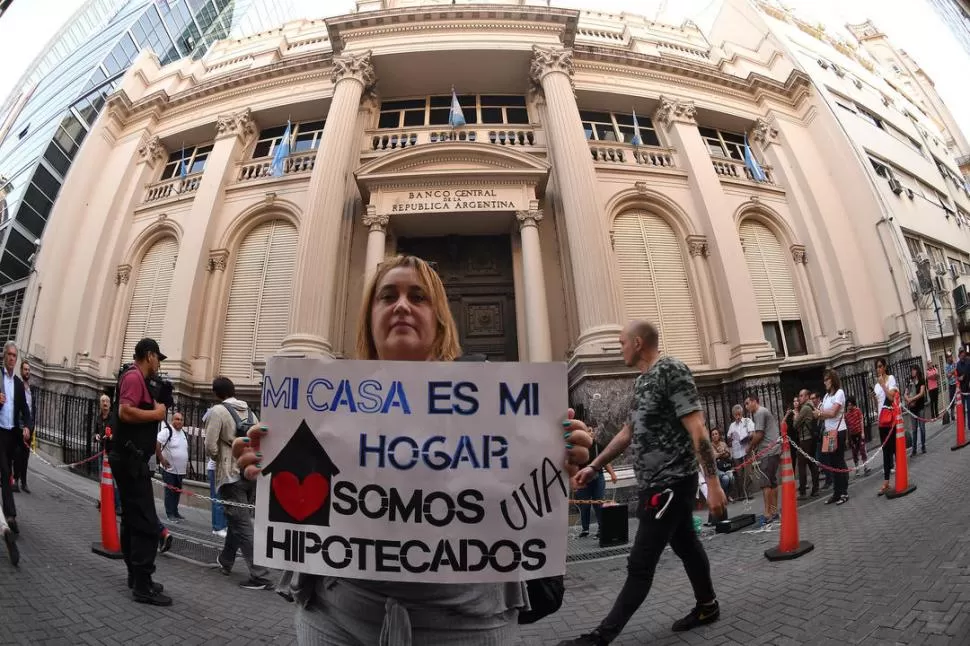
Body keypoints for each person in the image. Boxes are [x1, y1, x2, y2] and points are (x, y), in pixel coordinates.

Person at [233, 255, 592, 643]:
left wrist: (559, 461)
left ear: (439, 318)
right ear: (370, 317)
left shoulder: (499, 403)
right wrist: (264, 465)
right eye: (388, 296)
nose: (402, 305)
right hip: (334, 620)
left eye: (418, 297)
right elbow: (306, 502)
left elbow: (522, 504)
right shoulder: (320, 404)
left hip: (468, 625)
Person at [559, 320, 726, 646]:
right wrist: (594, 466)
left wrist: (714, 483)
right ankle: (708, 606)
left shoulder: (671, 370)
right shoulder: (643, 382)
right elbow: (627, 433)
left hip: (670, 484)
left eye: (621, 342)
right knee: (686, 544)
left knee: (640, 563)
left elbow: (697, 428)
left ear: (637, 343)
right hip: (657, 485)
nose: (618, 348)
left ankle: (599, 638)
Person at [109, 338, 171, 606]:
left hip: (130, 459)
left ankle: (137, 577)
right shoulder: (134, 377)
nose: (159, 364)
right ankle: (142, 586)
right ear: (149, 355)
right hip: (131, 461)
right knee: (145, 521)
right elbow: (125, 412)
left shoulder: (135, 379)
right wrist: (157, 414)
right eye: (158, 358)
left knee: (133, 519)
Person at [205, 376, 271, 591]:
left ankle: (260, 575)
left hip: (230, 474)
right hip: (249, 475)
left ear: (216, 393)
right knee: (237, 519)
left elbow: (210, 446)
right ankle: (226, 560)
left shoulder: (217, 411)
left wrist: (220, 458)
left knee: (242, 524)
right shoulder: (251, 412)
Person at [0, 341, 30, 538]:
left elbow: (25, 410)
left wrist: (26, 425)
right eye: (9, 355)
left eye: (14, 355)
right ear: (4, 356)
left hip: (12, 434)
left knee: (7, 470)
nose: (12, 358)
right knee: (4, 471)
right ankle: (10, 516)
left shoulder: (18, 384)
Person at [572, 424, 617, 538]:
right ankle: (585, 529)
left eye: (590, 431)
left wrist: (612, 474)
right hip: (582, 480)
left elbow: (605, 461)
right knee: (584, 505)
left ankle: (601, 529)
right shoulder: (576, 447)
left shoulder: (597, 446)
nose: (589, 433)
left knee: (598, 503)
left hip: (598, 477)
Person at [745, 393, 780, 526]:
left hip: (768, 451)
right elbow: (758, 433)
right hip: (773, 449)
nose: (747, 407)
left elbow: (759, 435)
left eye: (748, 403)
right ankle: (774, 511)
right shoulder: (762, 412)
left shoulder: (759, 412)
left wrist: (750, 447)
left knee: (765, 482)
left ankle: (768, 514)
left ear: (754, 401)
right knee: (772, 482)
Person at [815, 369, 849, 506]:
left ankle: (844, 492)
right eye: (824, 380)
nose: (825, 382)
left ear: (833, 379)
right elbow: (823, 414)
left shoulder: (839, 393)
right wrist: (822, 413)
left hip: (838, 431)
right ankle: (836, 492)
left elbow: (833, 412)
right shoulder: (826, 396)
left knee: (839, 461)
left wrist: (821, 413)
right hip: (829, 433)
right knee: (831, 463)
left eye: (827, 379)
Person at [155, 411, 189, 522]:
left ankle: (175, 511)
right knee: (170, 492)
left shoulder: (183, 433)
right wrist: (161, 459)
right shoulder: (167, 431)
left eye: (181, 419)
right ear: (172, 420)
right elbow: (157, 443)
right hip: (169, 469)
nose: (179, 421)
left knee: (177, 492)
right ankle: (170, 514)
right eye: (177, 419)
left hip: (180, 470)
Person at [872, 357, 899, 497]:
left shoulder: (891, 379)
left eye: (881, 366)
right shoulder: (877, 384)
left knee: (894, 448)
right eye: (877, 367)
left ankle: (900, 476)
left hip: (891, 419)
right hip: (882, 420)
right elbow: (879, 402)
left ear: (885, 366)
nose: (879, 369)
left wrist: (883, 385)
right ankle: (886, 481)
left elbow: (891, 397)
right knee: (885, 451)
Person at [94, 393, 122, 513]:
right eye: (103, 401)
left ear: (110, 404)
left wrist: (110, 436)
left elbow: (118, 435)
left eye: (107, 401)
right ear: (100, 404)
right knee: (102, 478)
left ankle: (117, 505)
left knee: (114, 479)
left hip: (112, 452)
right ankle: (104, 501)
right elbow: (95, 432)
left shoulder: (114, 418)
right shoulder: (98, 418)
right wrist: (95, 436)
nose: (105, 403)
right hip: (102, 451)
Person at [13, 360, 35, 493]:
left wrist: (32, 424)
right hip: (19, 425)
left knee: (26, 455)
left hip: (29, 425)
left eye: (28, 370)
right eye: (25, 369)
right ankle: (15, 479)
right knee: (17, 453)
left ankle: (24, 482)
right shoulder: (18, 386)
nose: (27, 372)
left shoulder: (31, 390)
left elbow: (32, 408)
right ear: (21, 371)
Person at [793, 389, 819, 499]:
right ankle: (815, 489)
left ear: (807, 396)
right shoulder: (811, 407)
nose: (799, 398)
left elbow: (795, 424)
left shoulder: (805, 408)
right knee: (811, 463)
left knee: (802, 464)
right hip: (811, 438)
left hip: (805, 439)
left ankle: (803, 491)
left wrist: (795, 416)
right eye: (799, 396)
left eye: (801, 395)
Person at [726, 405, 752, 501]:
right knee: (739, 474)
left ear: (742, 413)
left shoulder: (747, 421)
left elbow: (752, 433)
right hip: (737, 452)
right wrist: (731, 437)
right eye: (736, 415)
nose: (738, 416)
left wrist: (747, 438)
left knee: (748, 473)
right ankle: (742, 493)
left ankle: (747, 492)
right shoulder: (732, 426)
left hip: (746, 450)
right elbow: (728, 438)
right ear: (733, 415)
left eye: (739, 414)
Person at [844, 395, 869, 477]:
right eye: (848, 405)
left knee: (862, 450)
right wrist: (847, 439)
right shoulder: (846, 415)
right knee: (854, 452)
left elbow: (861, 421)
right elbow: (847, 427)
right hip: (852, 435)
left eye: (851, 404)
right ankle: (857, 468)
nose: (849, 406)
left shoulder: (857, 411)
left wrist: (862, 432)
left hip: (859, 432)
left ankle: (866, 466)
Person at [904, 364, 927, 456]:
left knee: (922, 428)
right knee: (914, 430)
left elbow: (921, 393)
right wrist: (907, 398)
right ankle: (914, 449)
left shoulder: (921, 381)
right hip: (912, 409)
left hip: (920, 407)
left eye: (914, 370)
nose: (912, 372)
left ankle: (923, 446)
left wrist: (912, 399)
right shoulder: (909, 382)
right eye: (911, 370)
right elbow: (905, 393)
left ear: (917, 370)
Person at [710, 427, 734, 499]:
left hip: (725, 466)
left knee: (732, 477)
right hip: (716, 469)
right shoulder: (710, 446)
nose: (714, 436)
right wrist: (722, 453)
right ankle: (722, 495)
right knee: (726, 478)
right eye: (713, 434)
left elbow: (728, 454)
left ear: (719, 435)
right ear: (711, 437)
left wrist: (720, 454)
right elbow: (714, 456)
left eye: (716, 434)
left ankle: (727, 494)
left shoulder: (723, 444)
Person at [944, 351, 956, 422]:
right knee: (952, 400)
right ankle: (952, 414)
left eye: (951, 356)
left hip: (957, 384)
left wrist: (953, 371)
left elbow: (958, 370)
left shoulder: (954, 364)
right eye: (949, 357)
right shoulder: (946, 366)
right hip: (951, 385)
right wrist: (952, 371)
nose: (950, 358)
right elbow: (948, 376)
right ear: (947, 358)